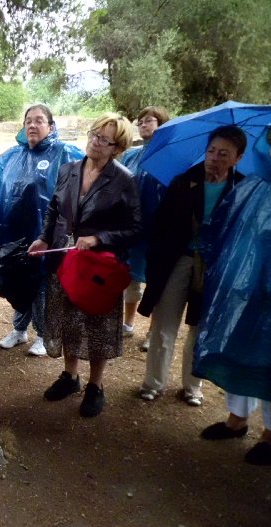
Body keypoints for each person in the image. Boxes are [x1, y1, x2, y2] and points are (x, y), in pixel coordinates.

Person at [29, 113, 140, 417]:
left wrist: (99, 238)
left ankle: (96, 385)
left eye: (104, 139)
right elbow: (54, 208)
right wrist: (43, 239)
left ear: (117, 148)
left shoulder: (124, 180)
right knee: (67, 319)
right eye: (94, 134)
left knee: (98, 324)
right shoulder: (68, 169)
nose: (95, 141)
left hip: (98, 267)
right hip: (65, 259)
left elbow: (134, 228)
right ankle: (71, 377)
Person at [137, 126, 246, 406]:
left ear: (238, 158)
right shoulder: (184, 182)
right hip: (178, 262)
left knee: (199, 329)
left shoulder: (243, 188)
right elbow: (160, 225)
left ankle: (193, 386)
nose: (214, 158)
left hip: (215, 269)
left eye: (224, 154)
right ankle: (153, 383)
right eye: (211, 151)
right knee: (164, 325)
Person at [192, 125, 271, 465]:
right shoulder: (250, 185)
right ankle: (237, 420)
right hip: (239, 287)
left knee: (268, 361)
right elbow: (220, 228)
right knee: (236, 349)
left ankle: (270, 433)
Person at [0, 104, 84, 356]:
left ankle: (43, 334)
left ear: (51, 126)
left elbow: (81, 186)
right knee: (17, 279)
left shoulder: (63, 153)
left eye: (39, 121)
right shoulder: (14, 154)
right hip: (14, 230)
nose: (33, 125)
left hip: (45, 233)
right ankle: (19, 329)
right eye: (28, 121)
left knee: (40, 284)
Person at [119, 106, 170, 350]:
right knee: (130, 278)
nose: (143, 124)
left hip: (159, 229)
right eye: (140, 121)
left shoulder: (171, 156)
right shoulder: (130, 155)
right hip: (132, 228)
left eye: (149, 120)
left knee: (157, 280)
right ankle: (127, 324)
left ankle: (152, 331)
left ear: (162, 124)